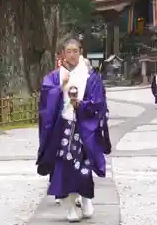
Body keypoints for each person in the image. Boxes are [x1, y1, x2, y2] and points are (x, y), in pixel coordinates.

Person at [37, 38, 111, 222]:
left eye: (75, 50)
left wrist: (82, 105)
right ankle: (70, 208)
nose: (71, 54)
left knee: (85, 167)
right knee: (64, 168)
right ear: (62, 53)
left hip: (84, 128)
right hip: (62, 128)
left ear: (81, 51)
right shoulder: (54, 76)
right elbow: (45, 101)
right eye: (68, 51)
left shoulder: (90, 76)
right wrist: (60, 87)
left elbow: (99, 102)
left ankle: (86, 199)